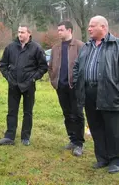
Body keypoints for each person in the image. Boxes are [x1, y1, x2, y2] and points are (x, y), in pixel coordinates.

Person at [73, 15, 119, 174]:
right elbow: (77, 67)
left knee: (114, 129)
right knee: (96, 127)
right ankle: (102, 158)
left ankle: (116, 160)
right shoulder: (86, 46)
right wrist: (78, 84)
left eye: (92, 26)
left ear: (103, 27)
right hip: (89, 93)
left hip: (111, 93)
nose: (89, 29)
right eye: (89, 26)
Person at [0, 24, 48, 146]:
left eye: (23, 32)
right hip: (13, 85)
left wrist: (33, 78)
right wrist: (9, 77)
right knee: (11, 111)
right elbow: (3, 64)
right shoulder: (10, 47)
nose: (20, 34)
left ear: (29, 33)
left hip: (28, 86)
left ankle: (25, 137)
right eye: (19, 32)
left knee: (28, 112)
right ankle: (9, 136)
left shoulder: (36, 48)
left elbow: (43, 67)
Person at [48, 21, 85, 156]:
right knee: (67, 114)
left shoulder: (80, 46)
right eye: (58, 30)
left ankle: (79, 144)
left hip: (75, 88)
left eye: (61, 30)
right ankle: (72, 139)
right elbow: (51, 66)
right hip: (61, 87)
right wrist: (53, 80)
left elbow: (84, 67)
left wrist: (79, 84)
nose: (59, 32)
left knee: (78, 114)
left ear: (69, 30)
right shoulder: (55, 48)